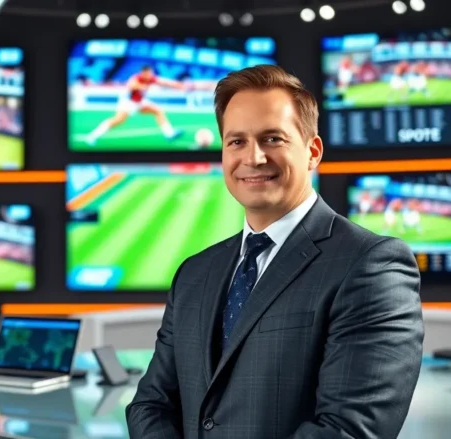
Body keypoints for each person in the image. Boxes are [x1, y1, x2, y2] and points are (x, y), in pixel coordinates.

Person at [126, 65, 423, 439]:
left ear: (312, 151)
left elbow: (348, 430)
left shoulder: (372, 265)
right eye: (236, 142)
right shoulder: (195, 273)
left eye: (272, 139)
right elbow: (150, 405)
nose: (253, 158)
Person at [85, 65, 186, 146]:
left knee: (158, 111)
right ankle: (92, 136)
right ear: (143, 73)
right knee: (117, 121)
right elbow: (132, 85)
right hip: (128, 103)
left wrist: (181, 86)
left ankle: (169, 133)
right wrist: (143, 86)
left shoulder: (151, 78)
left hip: (140, 102)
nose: (150, 75)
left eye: (151, 73)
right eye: (148, 73)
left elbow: (166, 82)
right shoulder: (136, 78)